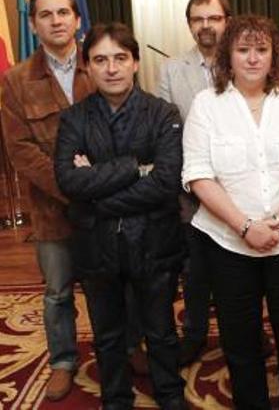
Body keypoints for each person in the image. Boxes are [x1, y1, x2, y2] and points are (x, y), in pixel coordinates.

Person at [183, 14, 279, 409]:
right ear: (228, 55)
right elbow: (197, 175)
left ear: (273, 55)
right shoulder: (206, 105)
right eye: (243, 50)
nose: (252, 58)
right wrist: (246, 226)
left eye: (260, 49)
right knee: (240, 339)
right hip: (227, 243)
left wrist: (278, 222)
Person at [54, 22, 186, 409]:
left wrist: (95, 188)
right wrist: (133, 167)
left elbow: (165, 182)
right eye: (100, 60)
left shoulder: (163, 113)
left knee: (160, 331)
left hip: (154, 241)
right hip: (97, 246)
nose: (111, 68)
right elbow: (68, 181)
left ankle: (170, 395)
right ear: (88, 67)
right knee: (108, 334)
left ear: (135, 63)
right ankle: (115, 398)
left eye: (119, 58)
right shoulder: (73, 119)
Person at [0, 0, 94, 401]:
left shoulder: (102, 63)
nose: (56, 21)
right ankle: (62, 361)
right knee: (58, 291)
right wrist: (72, 189)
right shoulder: (16, 81)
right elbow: (21, 151)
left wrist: (101, 187)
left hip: (105, 206)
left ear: (77, 19)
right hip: (52, 209)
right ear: (33, 23)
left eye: (63, 13)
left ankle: (128, 347)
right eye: (46, 14)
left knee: (111, 283)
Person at [157, 0, 230, 366]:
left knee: (238, 267)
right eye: (198, 19)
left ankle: (243, 331)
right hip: (191, 188)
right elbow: (168, 130)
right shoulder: (171, 70)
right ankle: (195, 333)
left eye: (213, 18)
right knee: (196, 269)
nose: (206, 26)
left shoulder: (242, 61)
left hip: (238, 187)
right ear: (189, 25)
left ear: (226, 21)